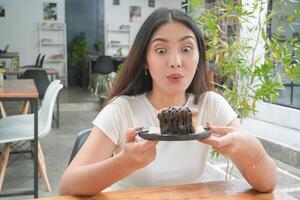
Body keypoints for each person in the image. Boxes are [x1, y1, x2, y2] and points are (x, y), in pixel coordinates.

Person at [60, 8, 277, 196]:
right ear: (145, 60)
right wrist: (124, 162)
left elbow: (267, 185)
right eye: (161, 50)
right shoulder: (122, 109)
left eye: (186, 49)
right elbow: (68, 187)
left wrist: (253, 151)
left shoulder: (211, 105)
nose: (175, 62)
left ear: (199, 56)